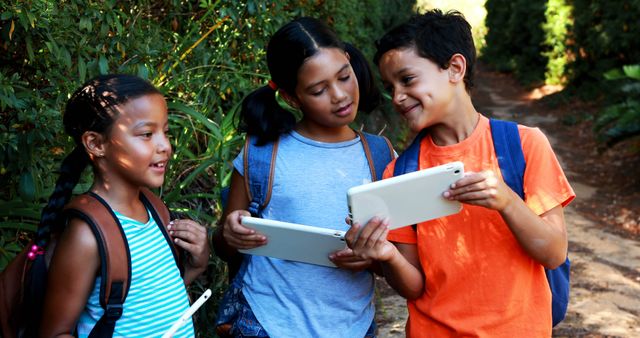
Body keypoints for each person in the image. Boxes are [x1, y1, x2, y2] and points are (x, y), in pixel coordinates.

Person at [345, 9, 575, 337]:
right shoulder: (399, 172)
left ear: (455, 68)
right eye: (390, 86)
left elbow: (553, 253)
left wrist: (507, 202)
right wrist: (387, 256)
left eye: (407, 79)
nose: (396, 97)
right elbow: (414, 286)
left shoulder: (524, 145)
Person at [212, 17, 393, 338]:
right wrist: (231, 235)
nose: (339, 95)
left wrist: (371, 259)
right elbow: (226, 245)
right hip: (266, 323)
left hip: (353, 326)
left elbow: (398, 256)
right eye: (319, 90)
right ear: (292, 98)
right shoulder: (262, 153)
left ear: (350, 62)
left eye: (343, 77)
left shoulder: (379, 155)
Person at [37, 74, 209, 337]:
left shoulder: (155, 210)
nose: (165, 146)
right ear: (96, 144)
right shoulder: (87, 235)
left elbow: (146, 305)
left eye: (166, 131)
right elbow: (54, 333)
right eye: (147, 134)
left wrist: (195, 267)